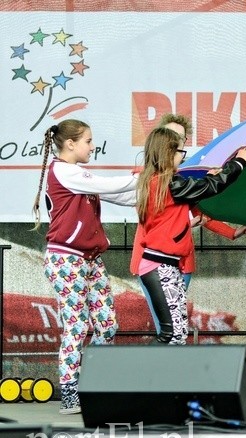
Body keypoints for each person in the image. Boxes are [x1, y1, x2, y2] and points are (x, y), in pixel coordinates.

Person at [32, 119, 139, 414]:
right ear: (70, 144)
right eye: (88, 141)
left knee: (107, 323)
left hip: (90, 259)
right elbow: (109, 185)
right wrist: (144, 177)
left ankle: (95, 383)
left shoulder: (77, 174)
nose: (92, 146)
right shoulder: (63, 171)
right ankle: (69, 391)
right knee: (77, 325)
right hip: (66, 258)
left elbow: (120, 194)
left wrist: (155, 186)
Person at [131, 114, 246, 336]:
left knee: (174, 329)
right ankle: (155, 369)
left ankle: (168, 369)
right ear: (163, 146)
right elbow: (211, 187)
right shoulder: (163, 181)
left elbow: (198, 207)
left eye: (181, 140)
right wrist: (239, 161)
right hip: (160, 261)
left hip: (175, 260)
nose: (180, 148)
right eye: (174, 141)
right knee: (170, 330)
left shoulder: (169, 179)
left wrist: (232, 231)